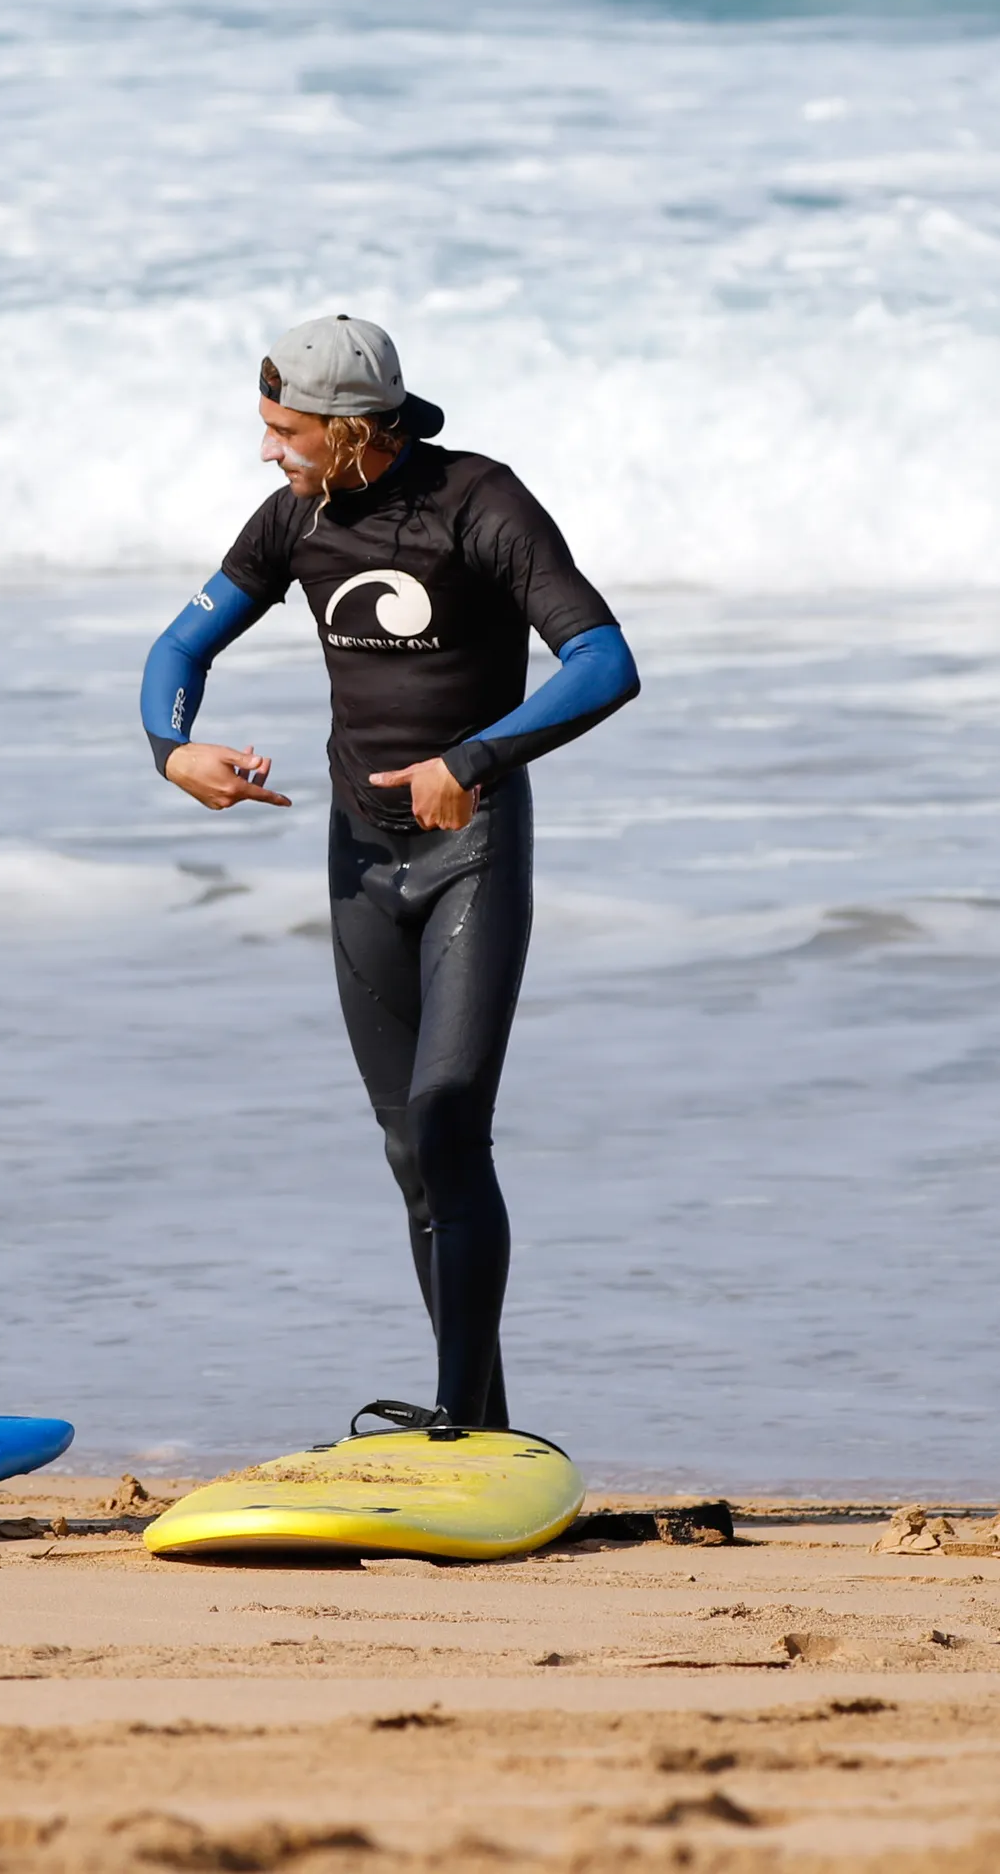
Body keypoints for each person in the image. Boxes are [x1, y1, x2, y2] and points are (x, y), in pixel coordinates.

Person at [138, 315, 639, 1430]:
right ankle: (480, 1419)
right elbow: (178, 649)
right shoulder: (294, 521)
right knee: (413, 1146)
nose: (271, 452)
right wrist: (176, 748)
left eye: (287, 431)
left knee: (450, 1113)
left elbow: (605, 659)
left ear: (355, 430)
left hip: (471, 848)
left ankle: (463, 1415)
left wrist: (476, 756)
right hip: (359, 862)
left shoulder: (481, 504)